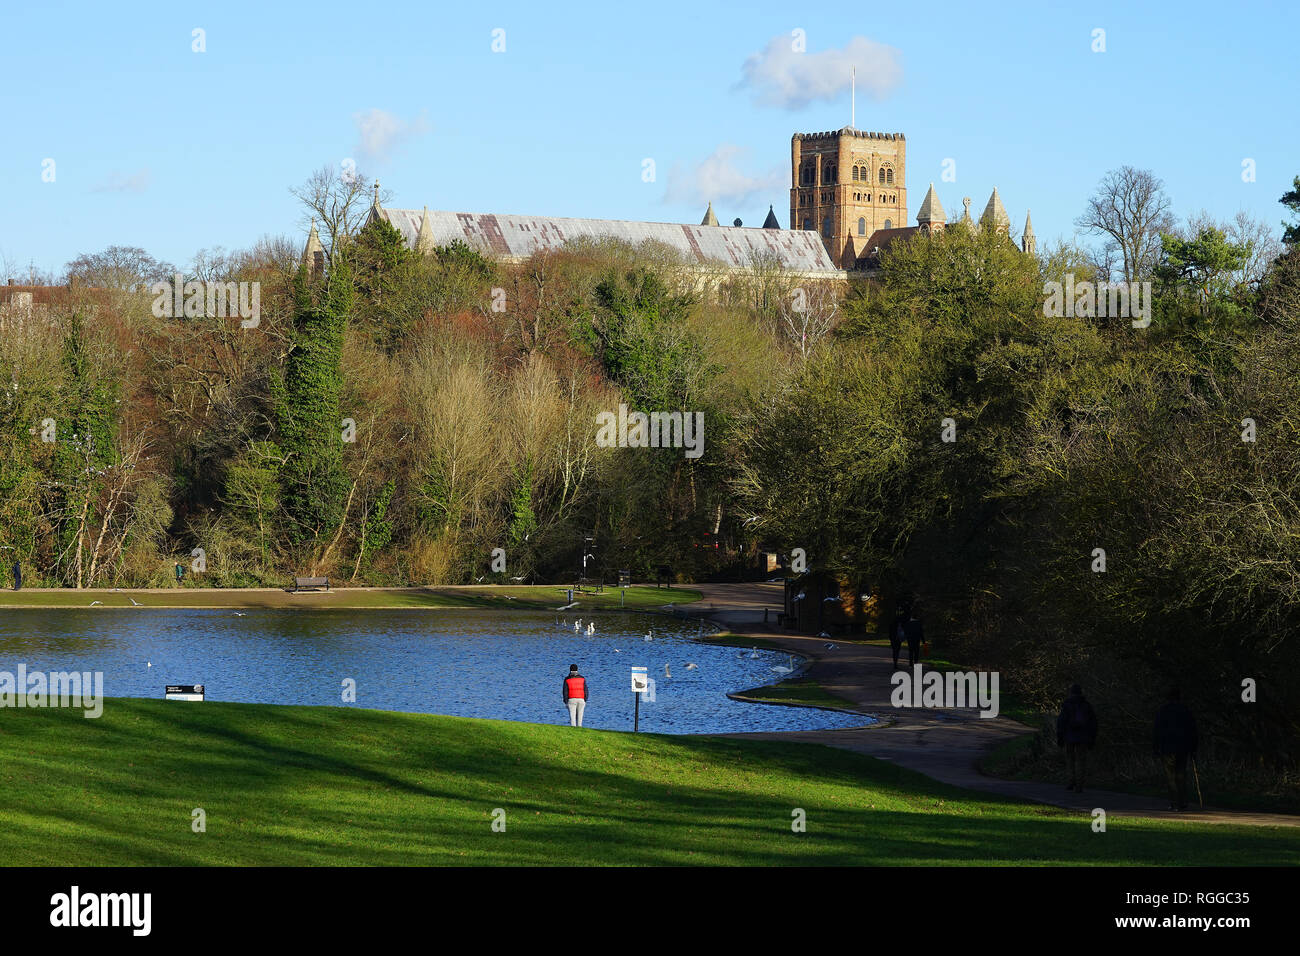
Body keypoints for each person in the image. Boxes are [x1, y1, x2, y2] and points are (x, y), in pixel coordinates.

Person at [1154, 686, 1198, 811]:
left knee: (1170, 776)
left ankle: (1174, 803)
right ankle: (1182, 802)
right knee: (1181, 774)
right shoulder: (1185, 711)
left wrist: (1156, 747)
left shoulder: (1162, 711)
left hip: (1167, 747)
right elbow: (1193, 731)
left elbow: (1157, 730)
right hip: (1183, 747)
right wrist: (1194, 748)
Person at [1055, 684, 1098, 793]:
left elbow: (1061, 722)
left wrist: (1060, 737)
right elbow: (1093, 723)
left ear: (1071, 693)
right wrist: (1092, 738)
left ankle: (1071, 781)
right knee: (1081, 761)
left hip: (1069, 736)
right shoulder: (1087, 705)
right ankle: (1079, 785)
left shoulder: (1067, 705)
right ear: (1081, 692)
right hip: (1083, 737)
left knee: (1070, 759)